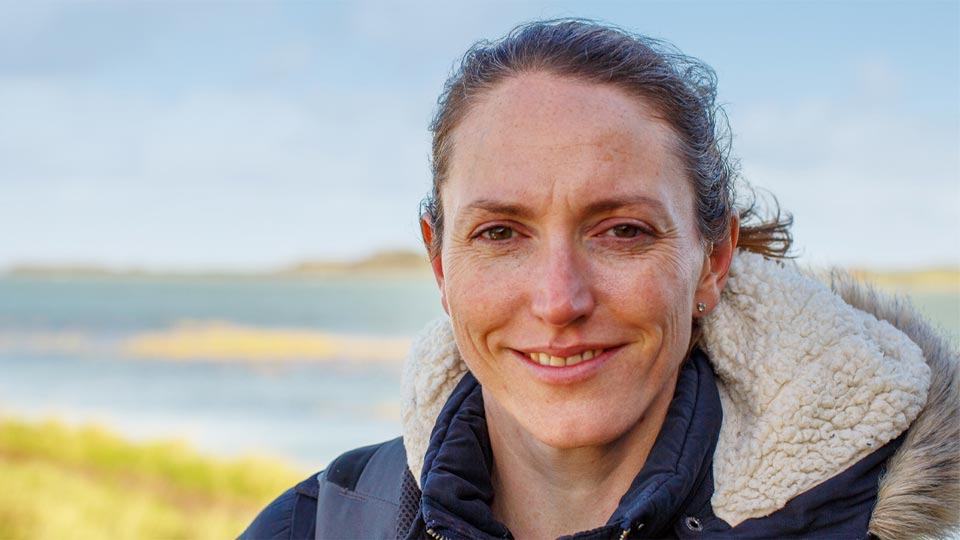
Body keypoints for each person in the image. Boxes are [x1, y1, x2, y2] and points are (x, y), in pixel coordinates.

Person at [240, 19, 958, 540]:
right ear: (439, 263)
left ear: (712, 260)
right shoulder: (322, 523)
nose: (559, 301)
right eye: (500, 233)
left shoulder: (872, 523)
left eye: (623, 231)